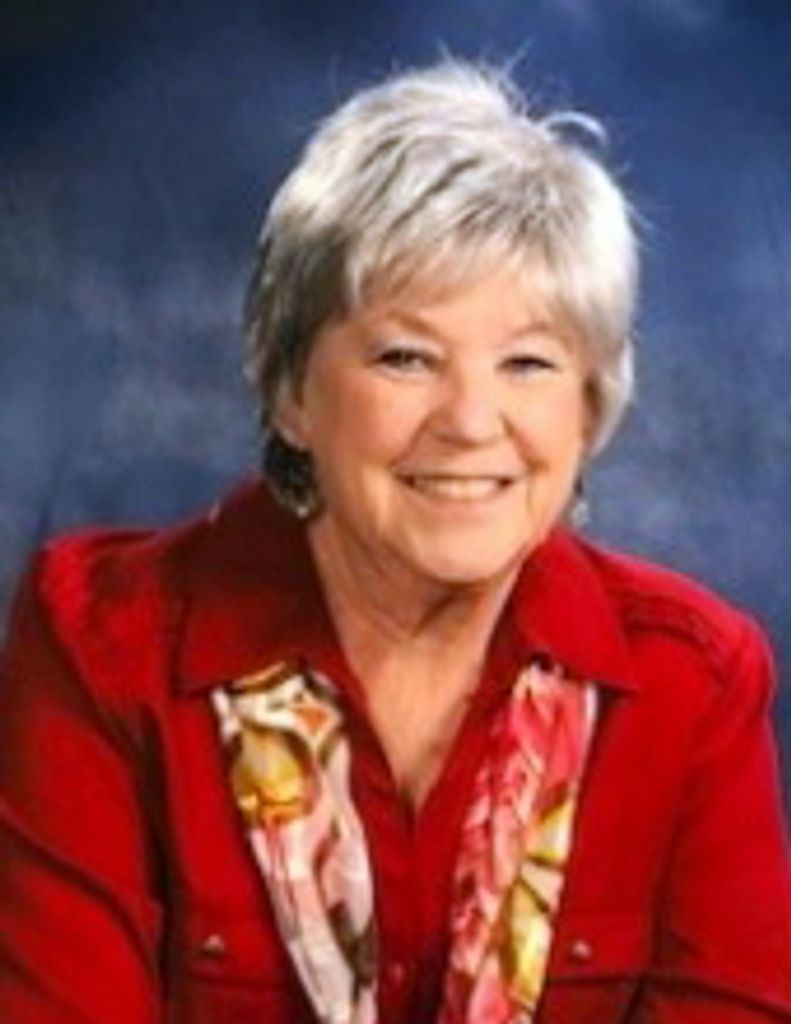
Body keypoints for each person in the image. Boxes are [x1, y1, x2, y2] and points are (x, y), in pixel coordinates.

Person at [0, 59, 789, 1024]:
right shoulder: (105, 649)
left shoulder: (692, 683)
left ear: (589, 410)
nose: (470, 422)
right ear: (290, 391)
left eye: (527, 363)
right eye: (405, 357)